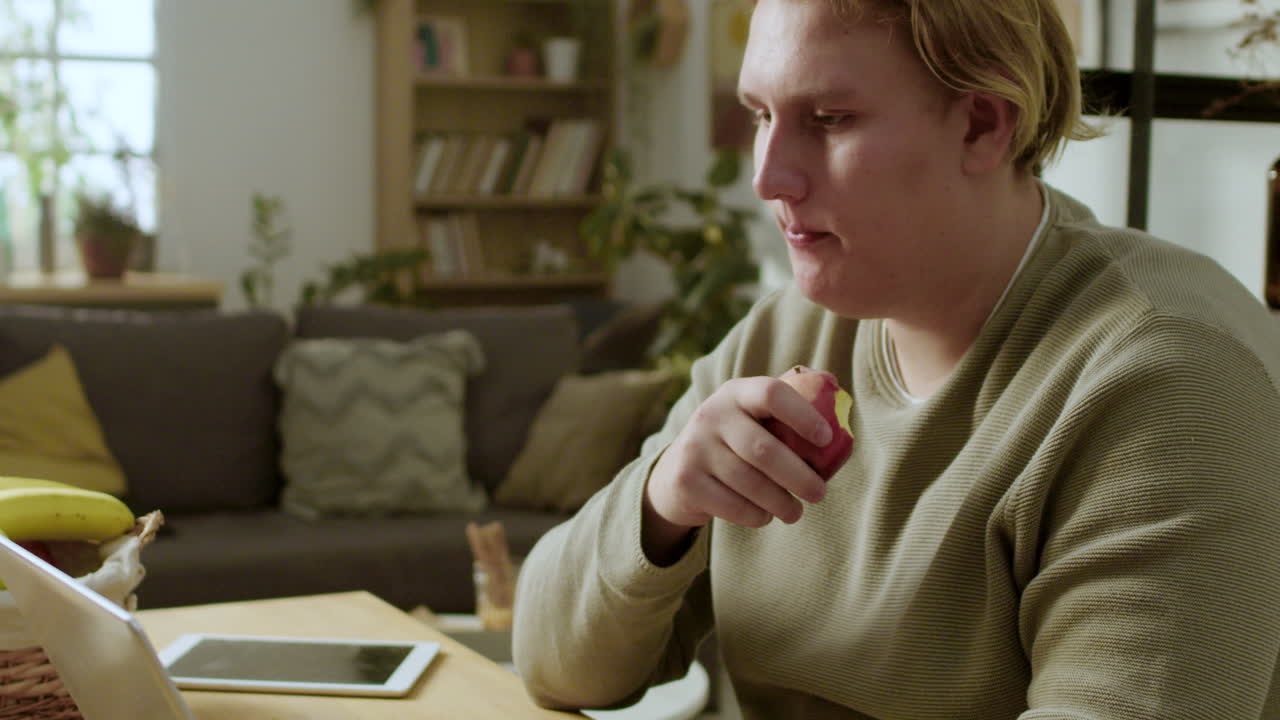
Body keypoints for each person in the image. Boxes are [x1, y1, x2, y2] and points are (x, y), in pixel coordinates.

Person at [511, 0, 1280, 717]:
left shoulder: (1170, 381)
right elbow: (550, 660)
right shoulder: (786, 335)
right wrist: (661, 501)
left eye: (830, 118)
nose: (767, 176)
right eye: (760, 115)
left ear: (983, 125)